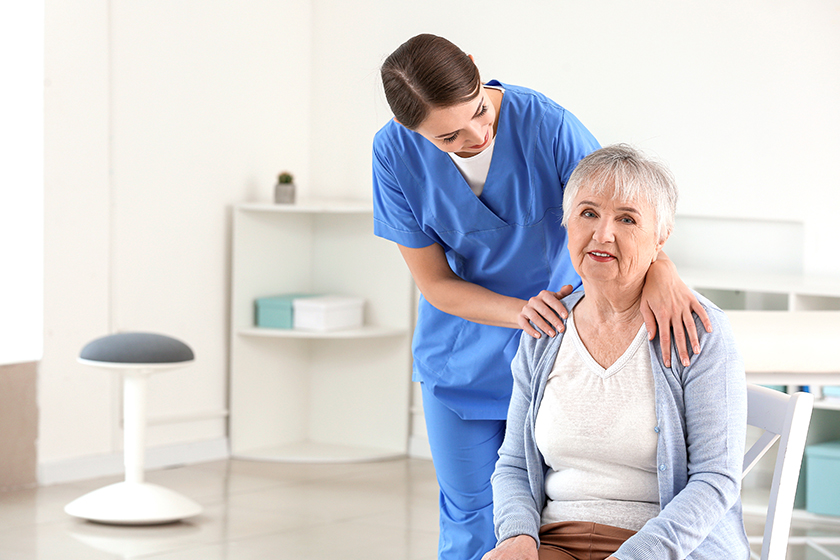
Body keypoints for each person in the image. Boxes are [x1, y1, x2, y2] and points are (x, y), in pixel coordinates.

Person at [372, 34, 712, 560]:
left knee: (548, 515)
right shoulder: (393, 154)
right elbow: (435, 283)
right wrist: (521, 312)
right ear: (411, 131)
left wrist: (662, 269)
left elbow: (620, 210)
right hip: (464, 355)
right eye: (448, 137)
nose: (477, 135)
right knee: (470, 519)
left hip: (559, 350)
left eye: (480, 112)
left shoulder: (549, 126)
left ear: (473, 66)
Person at [483, 144, 749, 560]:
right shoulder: (544, 330)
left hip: (665, 546)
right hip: (556, 538)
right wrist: (516, 536)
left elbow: (715, 480)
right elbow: (514, 463)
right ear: (567, 223)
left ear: (660, 237)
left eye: (627, 219)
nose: (603, 234)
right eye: (588, 213)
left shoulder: (699, 332)